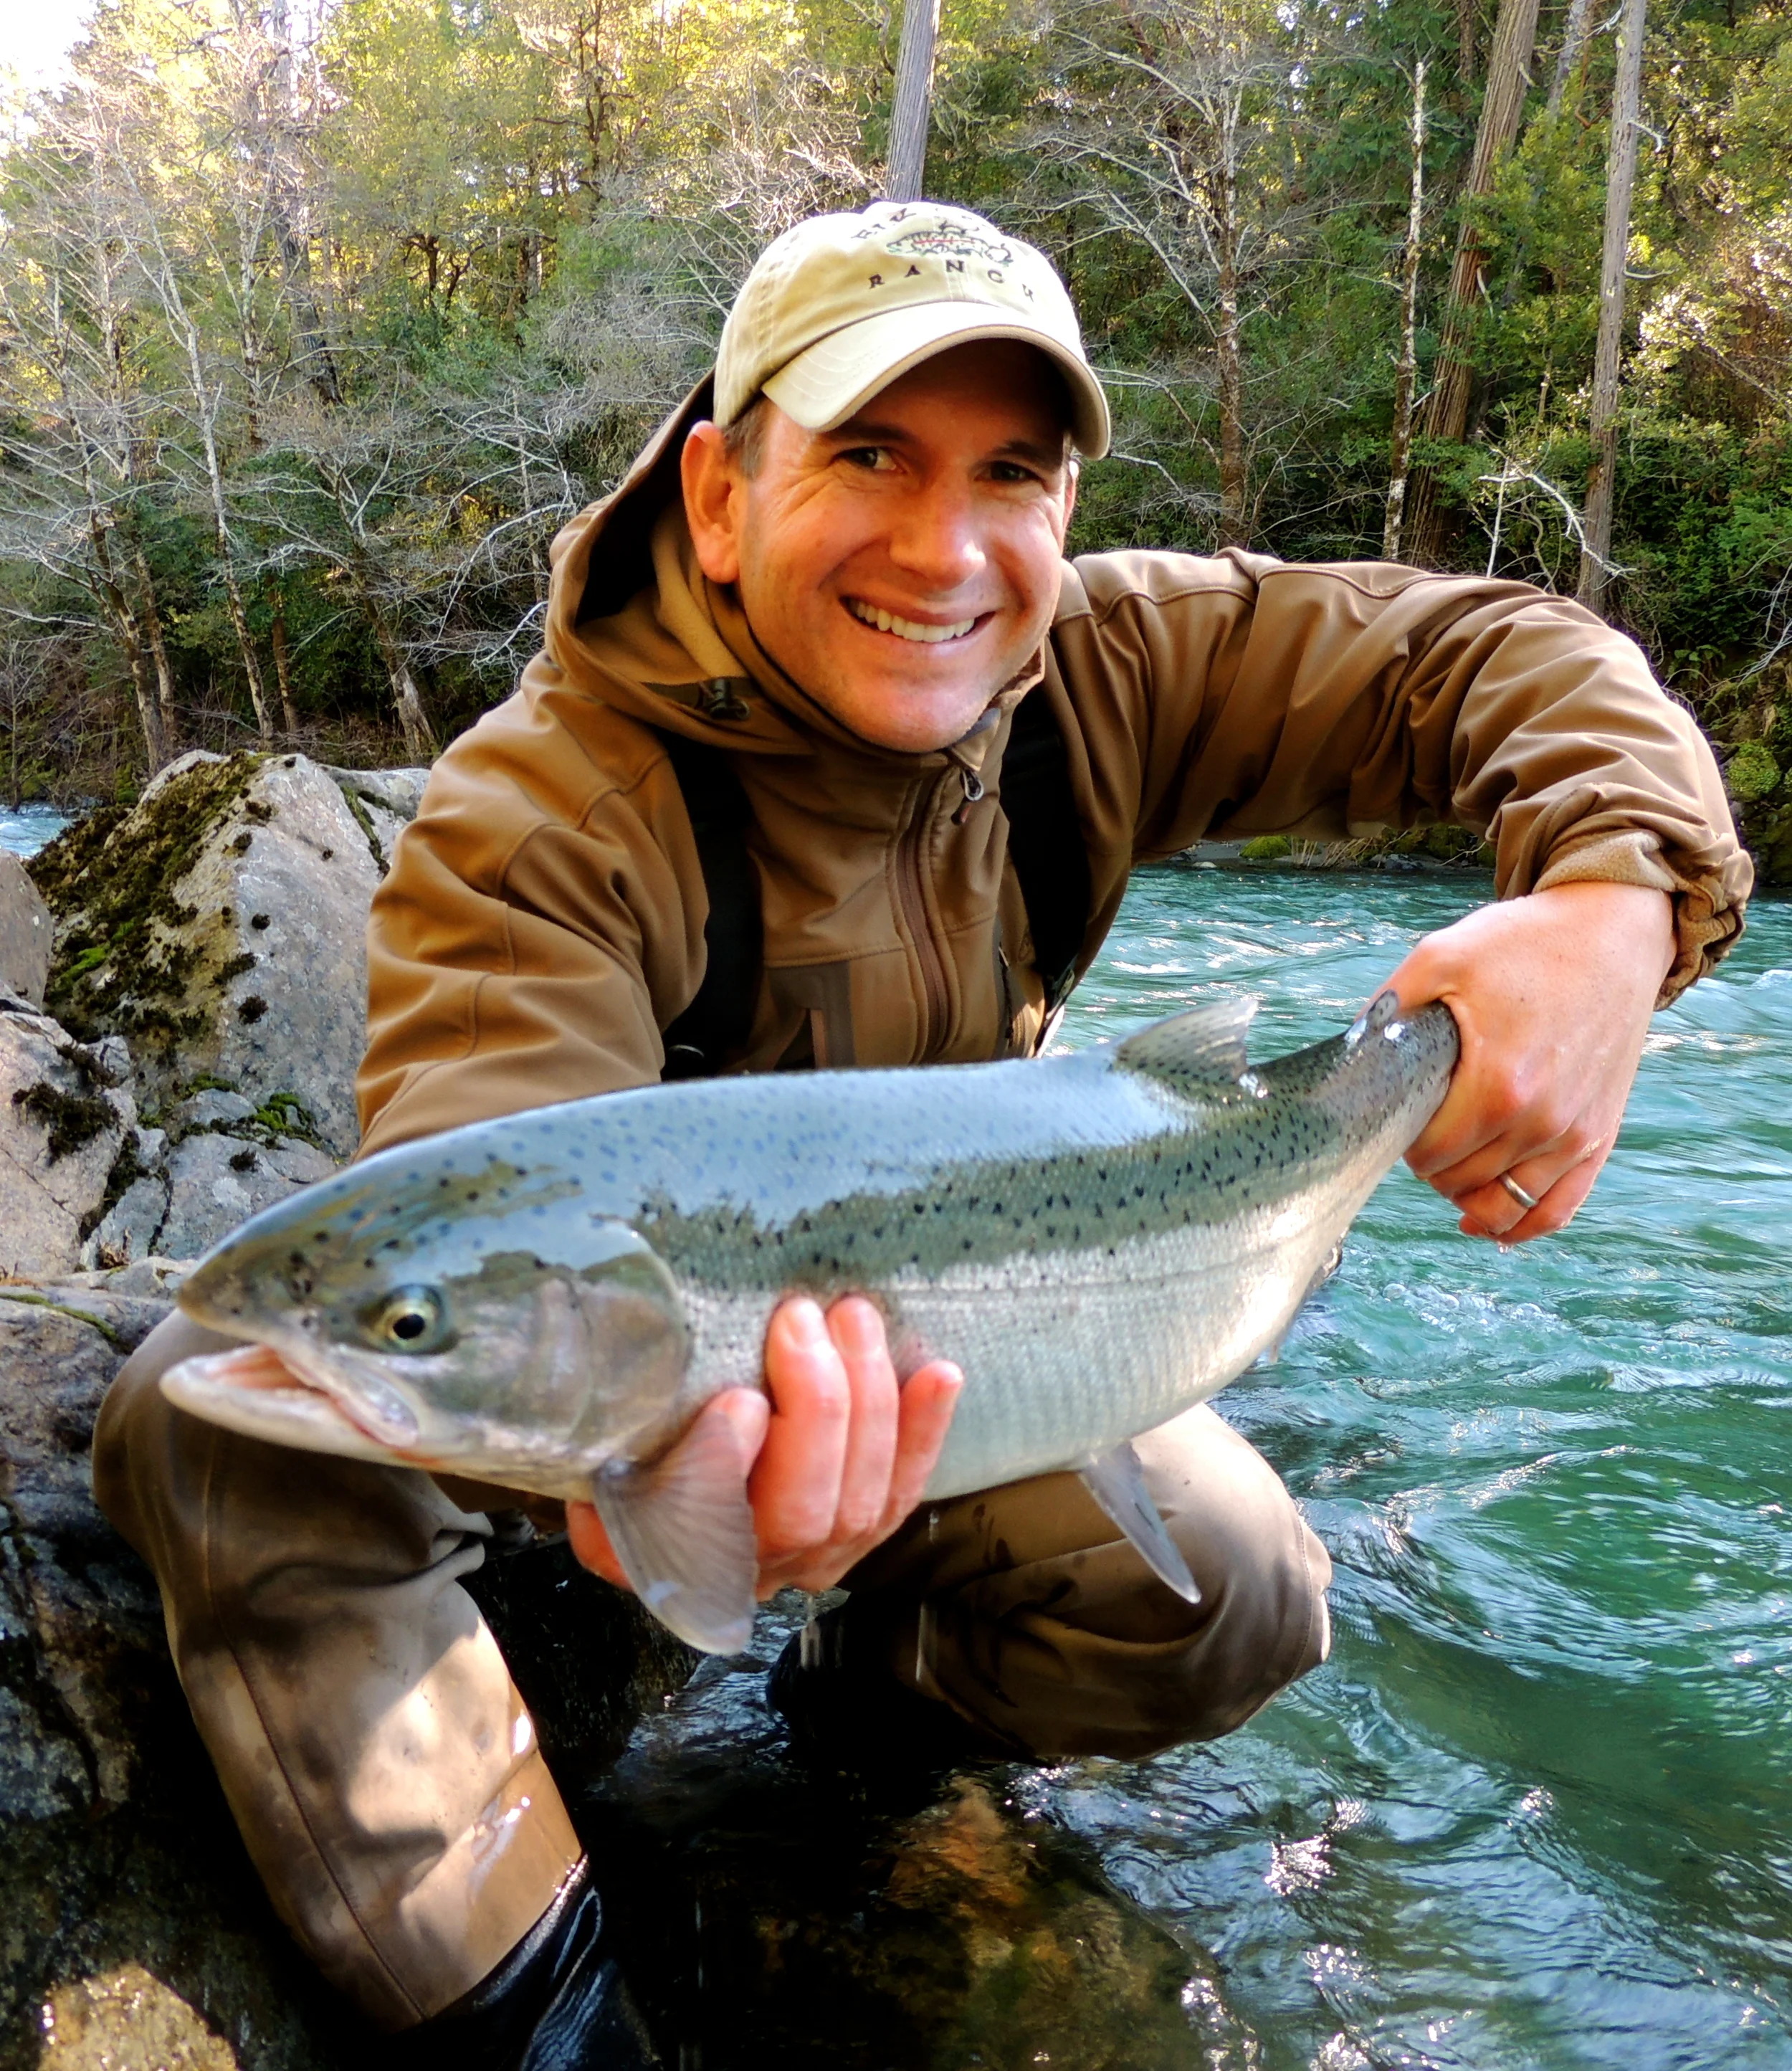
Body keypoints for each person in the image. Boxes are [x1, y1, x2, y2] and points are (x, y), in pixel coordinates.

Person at [92, 200, 1750, 2067]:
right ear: (717, 495)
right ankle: (541, 2012)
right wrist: (646, 1497)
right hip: (655, 1404)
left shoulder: (1105, 667)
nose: (944, 547)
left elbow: (1503, 652)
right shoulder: (543, 816)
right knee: (200, 1416)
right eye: (868, 457)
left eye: (1010, 476)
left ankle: (854, 1743)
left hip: (963, 1343)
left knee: (1232, 1601)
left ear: (1058, 507)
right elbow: (504, 1179)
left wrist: (1612, 901)